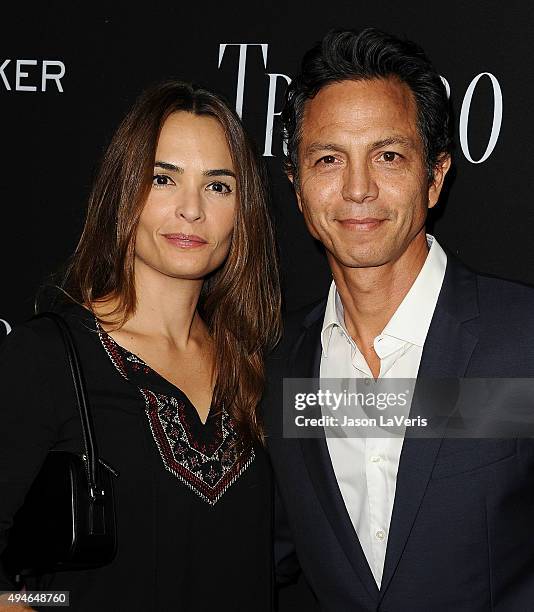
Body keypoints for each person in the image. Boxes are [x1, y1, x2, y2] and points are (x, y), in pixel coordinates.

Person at [264, 27, 534, 611]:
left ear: (435, 176)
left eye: (388, 156)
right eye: (329, 159)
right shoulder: (277, 366)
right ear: (296, 184)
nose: (358, 190)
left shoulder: (523, 340)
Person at [0, 80, 280, 611]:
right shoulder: (45, 359)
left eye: (218, 186)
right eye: (163, 179)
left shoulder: (255, 364)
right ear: (123, 189)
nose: (191, 209)